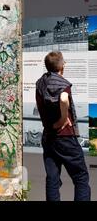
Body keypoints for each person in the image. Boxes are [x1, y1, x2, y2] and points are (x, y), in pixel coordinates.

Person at [35, 51, 91, 201]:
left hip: (49, 137)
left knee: (52, 179)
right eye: (64, 62)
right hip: (65, 137)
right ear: (61, 66)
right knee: (81, 177)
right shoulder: (62, 83)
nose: (65, 64)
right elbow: (64, 98)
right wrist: (63, 119)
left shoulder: (40, 82)